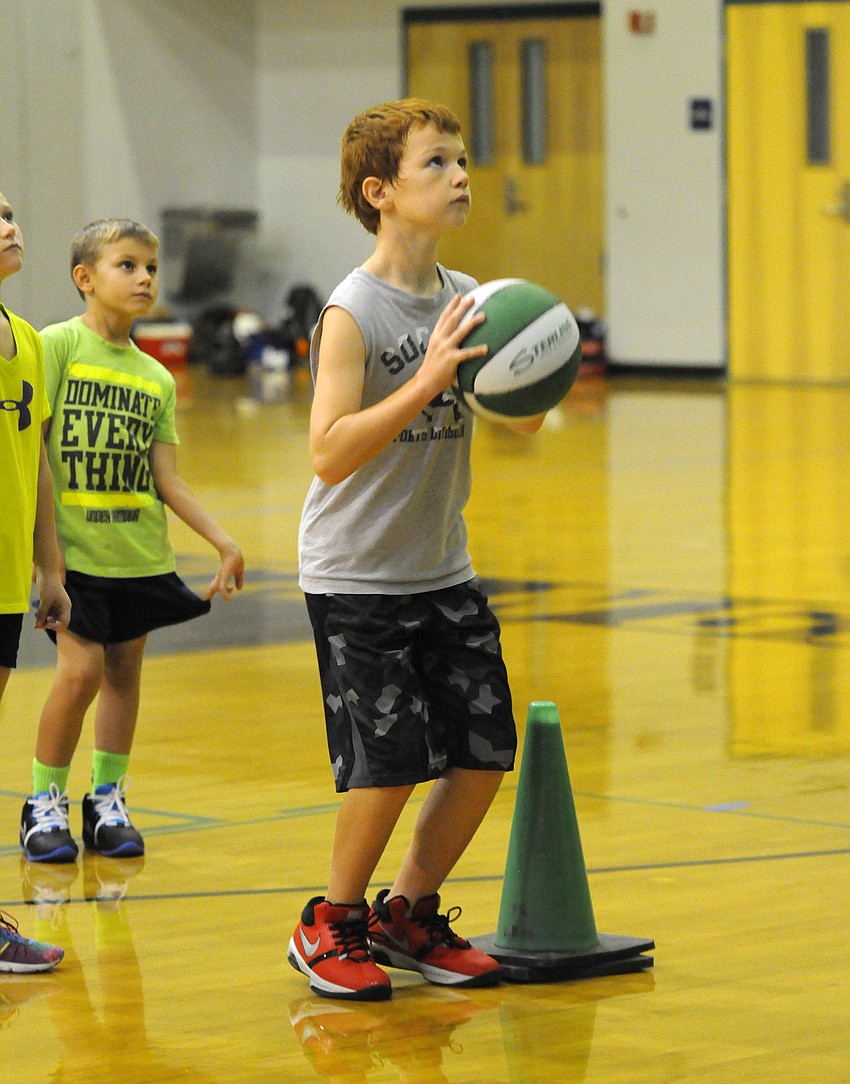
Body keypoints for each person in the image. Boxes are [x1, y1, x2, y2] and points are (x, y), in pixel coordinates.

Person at [287, 99, 545, 1002]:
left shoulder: (468, 297)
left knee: (485, 750)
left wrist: (528, 367)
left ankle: (409, 911)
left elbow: (521, 423)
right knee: (389, 761)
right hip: (357, 576)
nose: (460, 175)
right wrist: (430, 377)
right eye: (436, 162)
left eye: (462, 159)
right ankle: (332, 919)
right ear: (380, 192)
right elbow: (329, 451)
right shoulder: (352, 310)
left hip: (443, 568)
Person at [19, 217, 245, 865]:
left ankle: (107, 800)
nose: (144, 277)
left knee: (123, 674)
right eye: (127, 265)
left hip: (139, 554)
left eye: (150, 267)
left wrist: (222, 540)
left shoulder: (156, 377)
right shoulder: (56, 346)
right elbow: (33, 451)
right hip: (74, 556)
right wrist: (43, 556)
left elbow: (165, 478)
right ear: (84, 278)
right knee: (80, 672)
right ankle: (44, 802)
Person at [0, 189, 69, 971]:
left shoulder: (25, 340)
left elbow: (37, 464)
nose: (11, 226)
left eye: (12, 212)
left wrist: (50, 567)